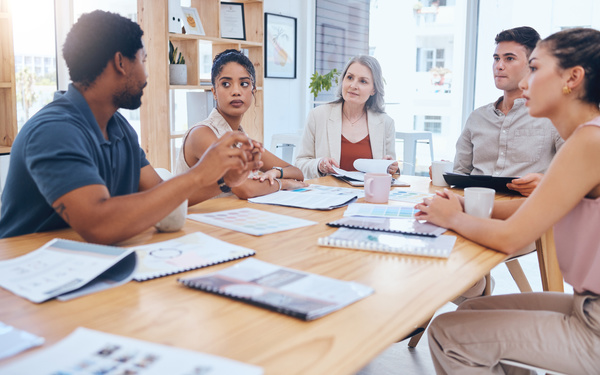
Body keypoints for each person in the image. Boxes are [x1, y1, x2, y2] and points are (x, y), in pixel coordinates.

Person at [416, 27, 600, 374]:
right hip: (585, 304)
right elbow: (533, 209)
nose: (525, 83)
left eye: (534, 68)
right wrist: (456, 207)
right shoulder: (586, 137)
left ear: (572, 78)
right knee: (468, 313)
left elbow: (512, 237)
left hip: (595, 323)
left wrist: (453, 216)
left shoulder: (589, 142)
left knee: (447, 333)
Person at [0, 11, 263, 245]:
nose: (146, 75)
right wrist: (199, 173)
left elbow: (162, 196)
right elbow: (99, 224)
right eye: (143, 60)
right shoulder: (53, 131)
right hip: (27, 282)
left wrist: (224, 182)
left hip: (92, 268)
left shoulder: (118, 128)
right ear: (121, 62)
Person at [445, 26, 563, 197]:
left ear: (533, 65)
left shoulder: (552, 116)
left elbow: (575, 174)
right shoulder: (477, 117)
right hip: (474, 208)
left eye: (509, 58)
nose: (499, 66)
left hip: (525, 211)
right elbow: (460, 174)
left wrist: (546, 181)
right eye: (496, 58)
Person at [175, 49, 307, 198]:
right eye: (226, 84)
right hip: (194, 220)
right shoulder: (201, 134)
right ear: (213, 92)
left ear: (253, 91)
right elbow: (245, 189)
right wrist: (283, 183)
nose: (236, 91)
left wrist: (276, 172)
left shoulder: (242, 140)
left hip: (230, 217)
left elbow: (297, 173)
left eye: (244, 83)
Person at [295, 55, 398, 180]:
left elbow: (393, 172)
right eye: (349, 77)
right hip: (329, 195)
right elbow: (299, 165)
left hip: (368, 196)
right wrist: (319, 165)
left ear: (374, 90)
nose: (353, 85)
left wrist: (391, 168)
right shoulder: (317, 116)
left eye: (363, 81)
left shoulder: (386, 123)